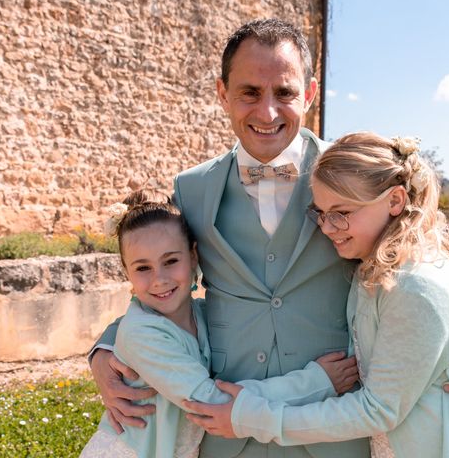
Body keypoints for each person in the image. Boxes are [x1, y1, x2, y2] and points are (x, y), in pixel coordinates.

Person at [90, 19, 449, 458]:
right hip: (225, 427)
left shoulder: (352, 174)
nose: (267, 112)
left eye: (285, 93)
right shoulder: (192, 188)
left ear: (308, 94)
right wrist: (105, 348)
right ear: (222, 93)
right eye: (250, 92)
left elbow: (426, 260)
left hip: (335, 427)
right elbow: (161, 277)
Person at [183, 133, 449, 457]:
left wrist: (253, 418)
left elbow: (378, 409)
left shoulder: (412, 283)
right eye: (321, 213)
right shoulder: (379, 263)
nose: (327, 228)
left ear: (395, 200)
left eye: (341, 214)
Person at [81, 190, 358, 458]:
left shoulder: (203, 314)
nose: (159, 279)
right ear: (125, 270)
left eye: (171, 261)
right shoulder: (142, 333)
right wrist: (316, 382)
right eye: (143, 268)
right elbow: (211, 404)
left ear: (193, 257)